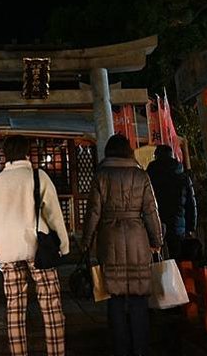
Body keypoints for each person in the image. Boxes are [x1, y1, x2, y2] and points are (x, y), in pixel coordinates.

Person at [0, 135, 69, 356]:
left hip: (7, 251)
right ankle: (56, 353)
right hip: (37, 248)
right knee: (51, 306)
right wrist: (64, 244)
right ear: (27, 152)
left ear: (5, 155)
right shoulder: (37, 176)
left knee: (14, 308)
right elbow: (53, 214)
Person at [82, 134, 163, 356]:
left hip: (110, 238)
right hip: (138, 238)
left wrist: (86, 242)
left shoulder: (101, 175)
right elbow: (150, 211)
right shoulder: (141, 175)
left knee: (115, 298)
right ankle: (141, 348)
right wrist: (157, 240)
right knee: (138, 298)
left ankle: (120, 348)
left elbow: (93, 212)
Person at [146, 145, 197, 260]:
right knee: (178, 259)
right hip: (178, 224)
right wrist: (191, 226)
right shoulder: (182, 175)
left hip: (157, 223)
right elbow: (191, 203)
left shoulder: (150, 176)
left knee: (158, 258)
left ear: (156, 157)